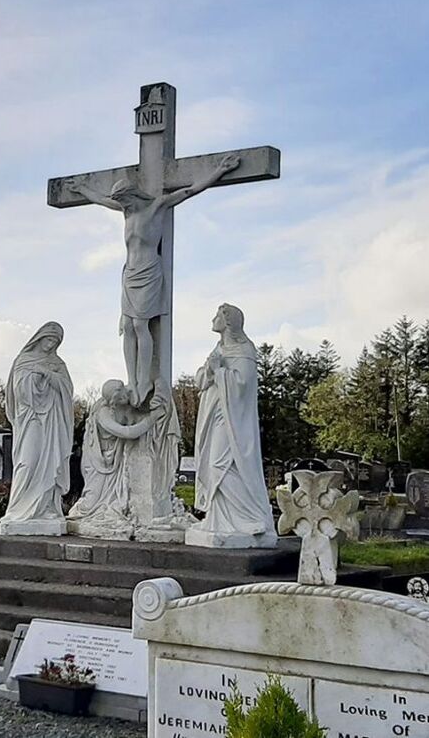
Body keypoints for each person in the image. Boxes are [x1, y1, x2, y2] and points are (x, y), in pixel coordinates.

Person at [66, 153, 240, 407]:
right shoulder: (126, 213)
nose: (121, 204)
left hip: (148, 271)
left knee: (139, 325)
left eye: (124, 199)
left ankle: (144, 380)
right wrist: (82, 188)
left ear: (132, 194)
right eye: (120, 202)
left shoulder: (156, 206)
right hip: (129, 274)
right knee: (127, 327)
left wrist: (219, 171)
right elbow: (102, 200)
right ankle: (132, 380)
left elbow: (190, 191)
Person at [186, 304, 277, 548]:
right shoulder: (219, 348)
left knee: (219, 464)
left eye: (217, 315)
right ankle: (219, 519)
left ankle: (251, 517)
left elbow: (242, 384)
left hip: (231, 419)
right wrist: (209, 370)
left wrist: (219, 372)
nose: (213, 318)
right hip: (214, 414)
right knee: (215, 463)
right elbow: (202, 381)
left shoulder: (244, 350)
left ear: (228, 321)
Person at [0, 322, 74, 535]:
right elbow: (18, 393)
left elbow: (67, 391)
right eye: (49, 340)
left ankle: (47, 508)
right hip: (30, 418)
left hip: (52, 421)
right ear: (40, 338)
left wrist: (49, 375)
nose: (51, 345)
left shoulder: (58, 363)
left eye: (56, 342)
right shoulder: (23, 360)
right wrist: (35, 379)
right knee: (27, 461)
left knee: (51, 461)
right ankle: (18, 509)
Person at [67, 379, 161, 536]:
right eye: (120, 390)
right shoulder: (103, 414)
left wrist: (154, 388)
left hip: (114, 460)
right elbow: (128, 433)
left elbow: (137, 411)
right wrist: (152, 419)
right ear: (113, 399)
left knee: (112, 501)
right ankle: (81, 512)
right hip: (98, 463)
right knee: (92, 502)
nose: (126, 391)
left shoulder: (123, 408)